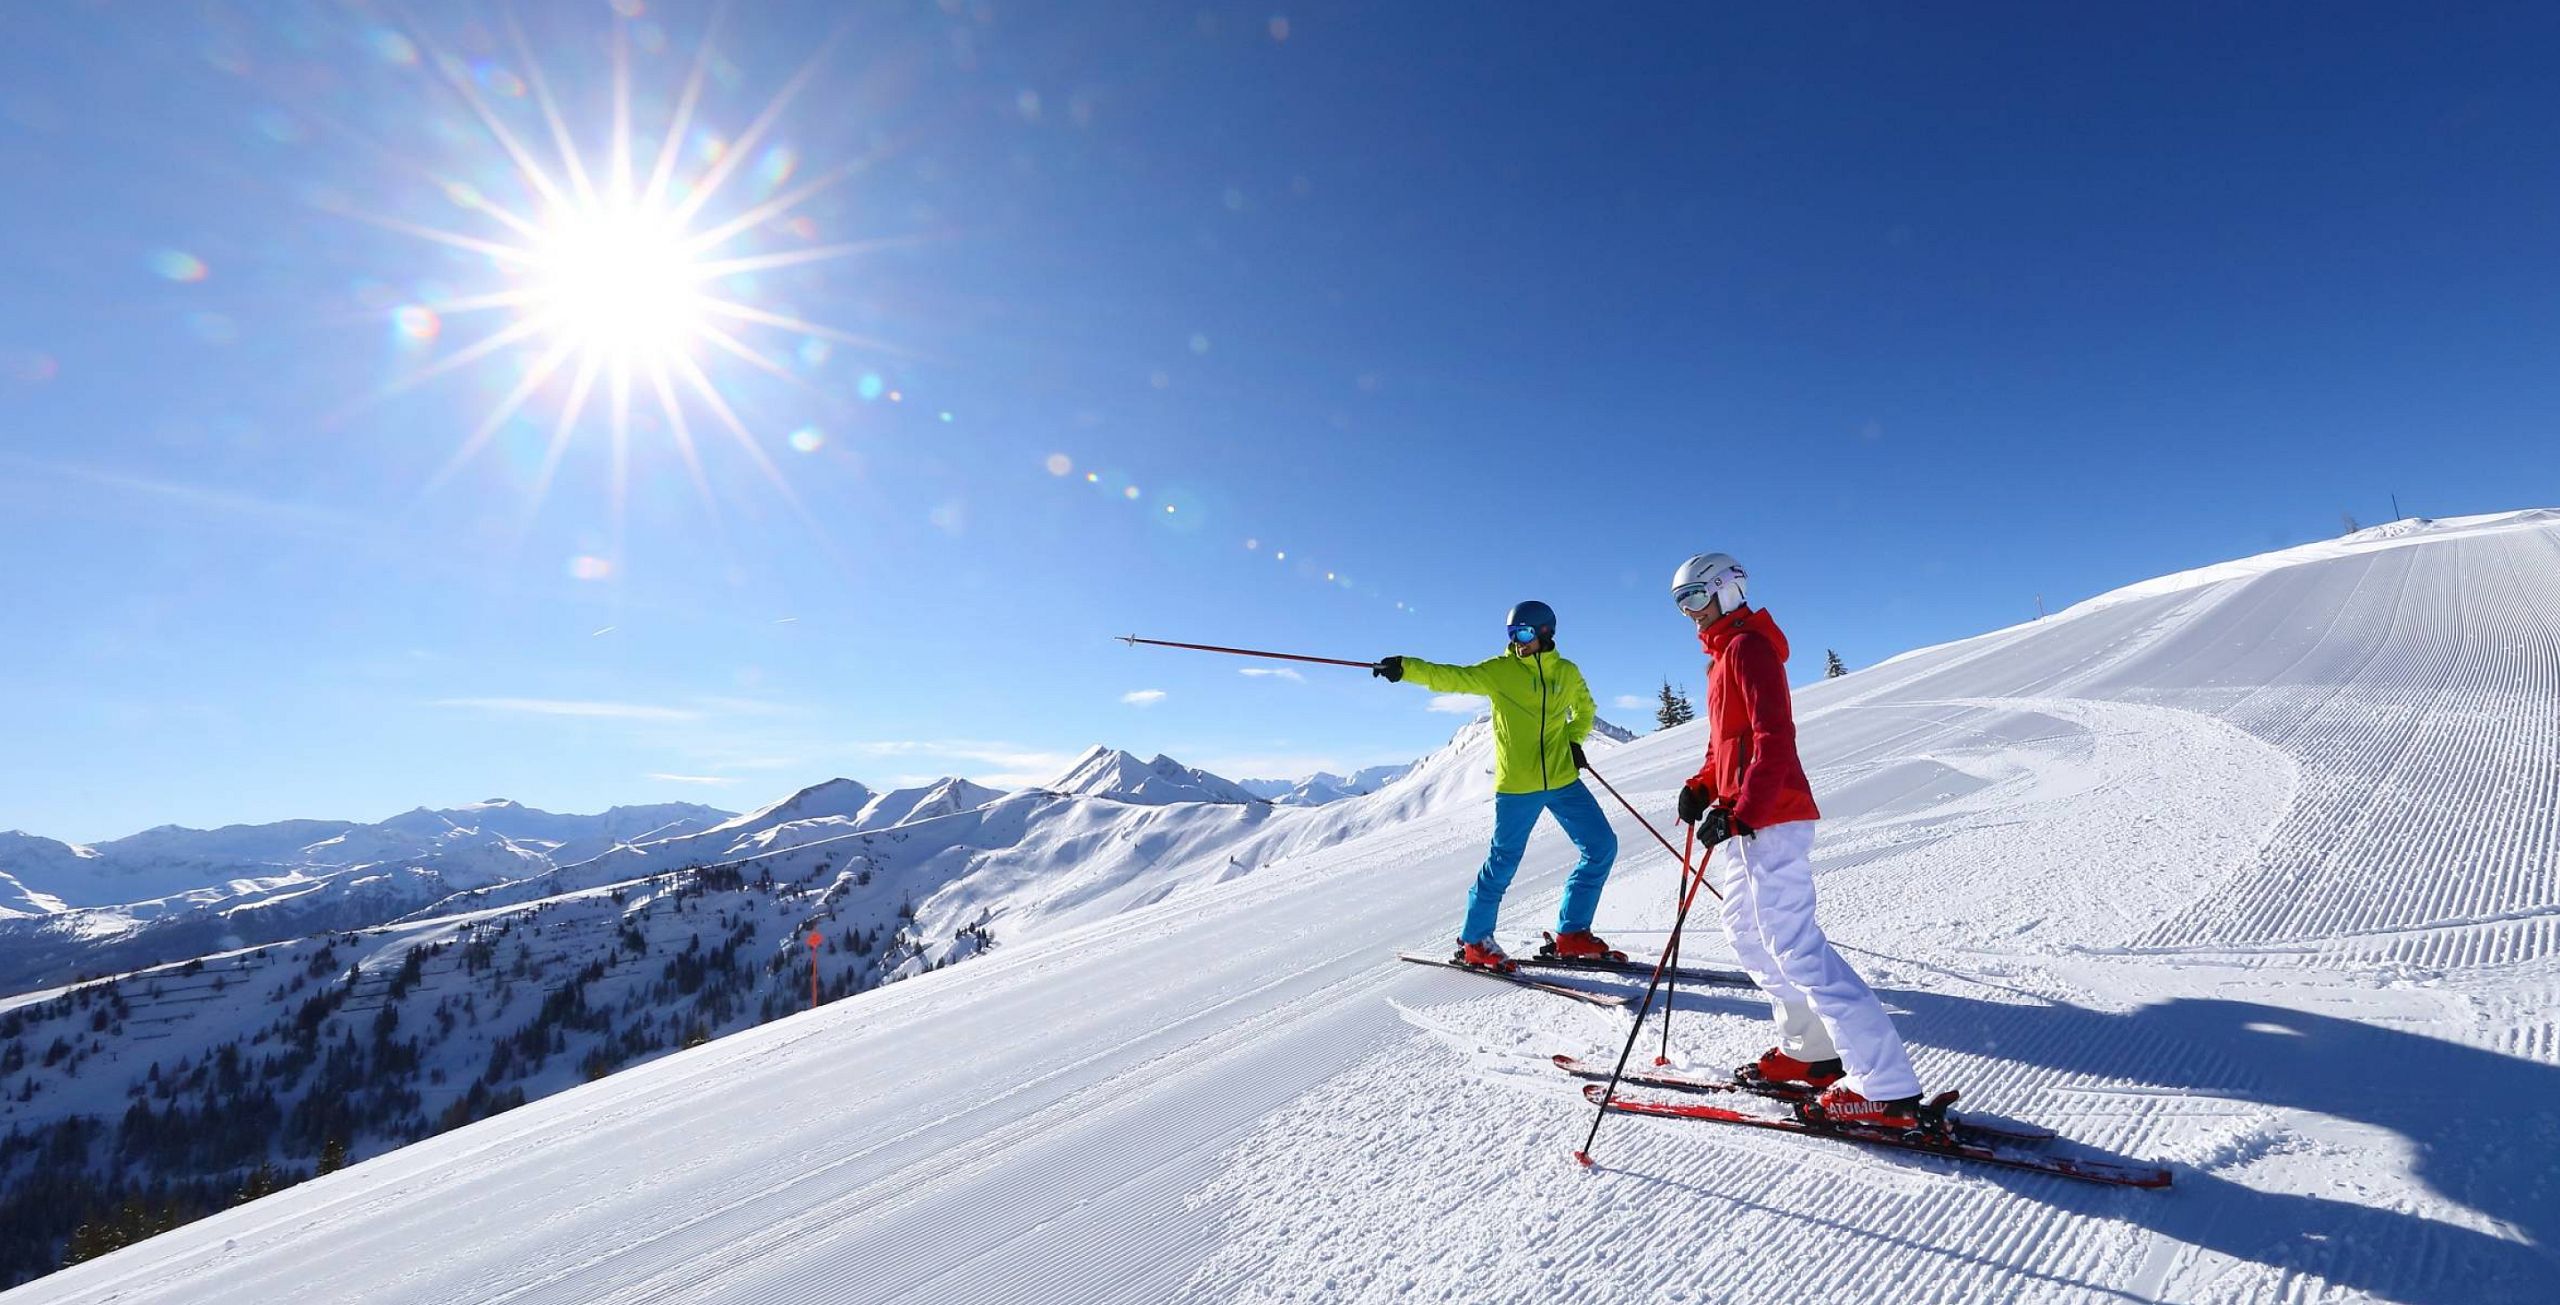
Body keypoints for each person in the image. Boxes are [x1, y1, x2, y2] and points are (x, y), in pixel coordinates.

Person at [1668, 552, 1927, 1128]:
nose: (1688, 613)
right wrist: (1701, 786)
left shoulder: (1749, 649)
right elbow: (1727, 745)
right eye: (1679, 603)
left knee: (1795, 946)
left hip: (1772, 815)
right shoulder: (1720, 659)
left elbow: (1773, 738)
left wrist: (1745, 810)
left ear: (1726, 591)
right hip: (1742, 817)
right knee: (1746, 935)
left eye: (1695, 598)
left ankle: (1885, 1085)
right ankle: (1810, 1051)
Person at [1374, 601, 1618, 972]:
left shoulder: (1566, 673)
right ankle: (1475, 940)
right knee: (1502, 865)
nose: (1516, 643)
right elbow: (1451, 677)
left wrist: (1573, 739)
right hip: (1518, 784)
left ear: (1545, 633)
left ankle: (1572, 933)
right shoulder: (1500, 671)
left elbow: (1585, 709)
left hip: (1563, 778)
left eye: (1522, 633)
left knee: (1602, 846)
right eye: (1511, 635)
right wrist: (1406, 668)